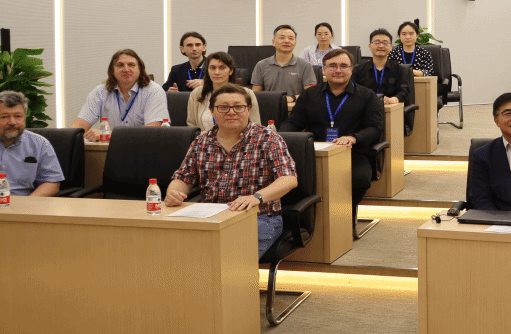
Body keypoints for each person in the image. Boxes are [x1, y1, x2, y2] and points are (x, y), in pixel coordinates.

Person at [164, 83, 300, 258]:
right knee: (174, 247)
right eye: (223, 107)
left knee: (228, 258)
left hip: (259, 218)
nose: (231, 112)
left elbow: (288, 178)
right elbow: (183, 178)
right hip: (211, 217)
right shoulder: (201, 142)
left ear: (248, 109)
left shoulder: (269, 139)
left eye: (238, 107)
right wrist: (173, 193)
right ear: (212, 111)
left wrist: (256, 197)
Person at [284, 49, 385, 224]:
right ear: (323, 69)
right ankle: (311, 220)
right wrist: (281, 136)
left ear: (351, 69)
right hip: (315, 154)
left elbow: (375, 128)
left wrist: (353, 138)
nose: (338, 70)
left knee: (358, 180)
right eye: (332, 66)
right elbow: (294, 121)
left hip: (353, 153)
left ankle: (343, 218)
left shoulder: (367, 96)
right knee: (291, 178)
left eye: (343, 66)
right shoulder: (309, 95)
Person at [71, 49, 170, 141]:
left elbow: (152, 131)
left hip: (143, 148)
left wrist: (110, 134)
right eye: (120, 65)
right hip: (109, 150)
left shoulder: (154, 91)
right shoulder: (100, 92)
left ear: (140, 69)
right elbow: (79, 124)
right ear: (112, 70)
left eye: (131, 65)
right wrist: (69, 137)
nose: (126, 69)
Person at [251, 25, 318, 111]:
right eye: (282, 37)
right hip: (269, 109)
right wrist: (279, 100)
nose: (286, 41)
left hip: (296, 110)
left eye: (291, 38)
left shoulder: (305, 65)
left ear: (295, 43)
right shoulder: (261, 65)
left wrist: (292, 98)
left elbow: (310, 94)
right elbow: (255, 94)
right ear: (273, 42)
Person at [188, 51, 261, 130]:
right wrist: (200, 134)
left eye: (222, 68)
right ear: (208, 71)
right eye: (212, 68)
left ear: (231, 71)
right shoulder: (197, 93)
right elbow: (192, 125)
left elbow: (255, 125)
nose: (216, 72)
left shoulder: (247, 93)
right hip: (205, 137)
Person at [354, 28, 410, 106]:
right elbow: (354, 92)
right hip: (365, 108)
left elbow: (404, 92)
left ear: (391, 47)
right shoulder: (358, 70)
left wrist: (393, 99)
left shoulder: (400, 69)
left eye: (385, 43)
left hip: (391, 108)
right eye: (376, 42)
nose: (381, 46)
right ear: (370, 46)